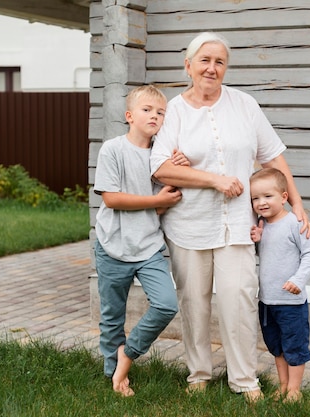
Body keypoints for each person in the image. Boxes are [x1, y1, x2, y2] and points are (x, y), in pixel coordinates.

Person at [150, 31, 310, 402]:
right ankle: (199, 374)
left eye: (219, 61)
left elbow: (272, 156)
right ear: (188, 65)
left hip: (239, 224)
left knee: (238, 299)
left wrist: (297, 202)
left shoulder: (244, 104)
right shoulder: (174, 110)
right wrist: (215, 181)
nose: (212, 68)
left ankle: (244, 380)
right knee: (193, 300)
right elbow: (160, 167)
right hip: (188, 223)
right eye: (204, 60)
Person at [94, 85, 188, 397]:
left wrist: (179, 170)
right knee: (112, 317)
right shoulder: (113, 149)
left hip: (148, 247)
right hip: (113, 246)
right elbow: (111, 199)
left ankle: (128, 354)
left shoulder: (161, 156)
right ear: (130, 116)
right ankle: (114, 377)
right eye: (147, 110)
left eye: (160, 112)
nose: (155, 116)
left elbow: (166, 201)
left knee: (166, 304)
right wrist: (155, 199)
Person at [249, 167, 310, 402]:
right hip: (267, 300)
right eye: (255, 198)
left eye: (267, 196)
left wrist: (298, 280)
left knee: (294, 346)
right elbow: (269, 256)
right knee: (276, 346)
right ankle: (283, 385)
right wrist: (258, 242)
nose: (261, 202)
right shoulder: (262, 225)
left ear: (284, 197)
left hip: (291, 302)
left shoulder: (295, 222)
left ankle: (295, 390)